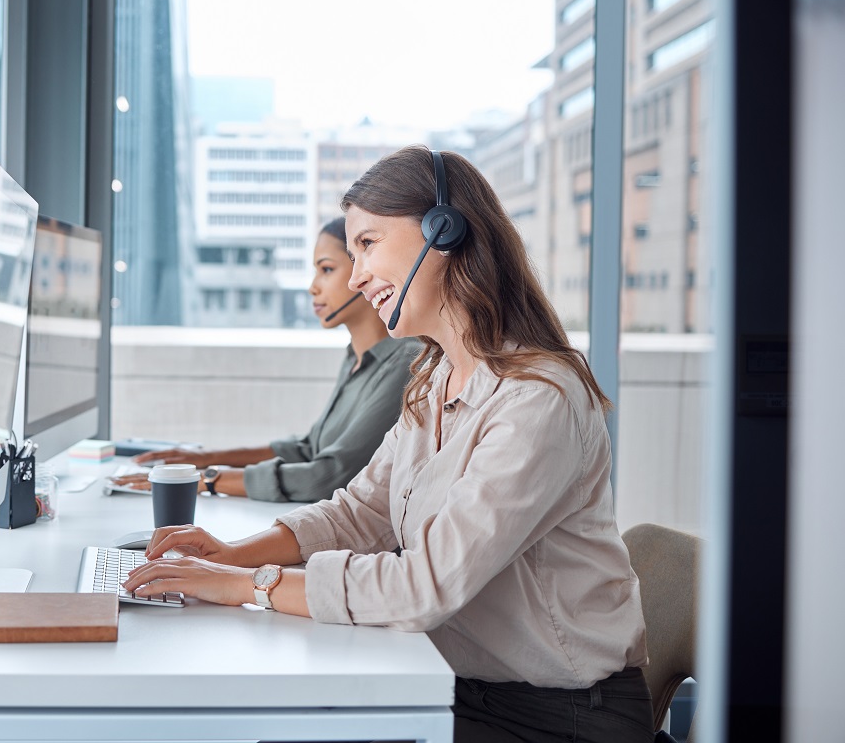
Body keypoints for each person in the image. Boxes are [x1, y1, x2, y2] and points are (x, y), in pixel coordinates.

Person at [123, 146, 653, 743]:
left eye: (368, 246)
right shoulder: (433, 380)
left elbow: (424, 585)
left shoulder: (537, 398)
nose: (355, 278)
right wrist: (228, 555)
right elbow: (362, 510)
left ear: (443, 232)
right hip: (458, 685)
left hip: (562, 717)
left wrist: (250, 586)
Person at [115, 216, 421, 502]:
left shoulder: (404, 363)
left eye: (326, 270)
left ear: (365, 273)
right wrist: (205, 458)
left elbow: (328, 476)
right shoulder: (355, 358)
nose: (312, 286)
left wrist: (210, 479)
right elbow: (308, 448)